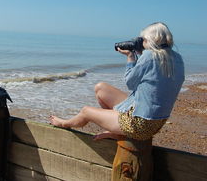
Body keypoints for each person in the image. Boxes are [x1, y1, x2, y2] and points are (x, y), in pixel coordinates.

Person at [49, 22, 185, 141]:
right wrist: (140, 54)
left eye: (143, 39)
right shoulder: (177, 58)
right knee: (100, 88)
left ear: (150, 39)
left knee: (86, 111)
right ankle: (116, 131)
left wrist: (131, 57)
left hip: (139, 124)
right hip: (155, 123)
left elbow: (131, 83)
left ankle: (64, 124)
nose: (141, 42)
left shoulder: (149, 56)